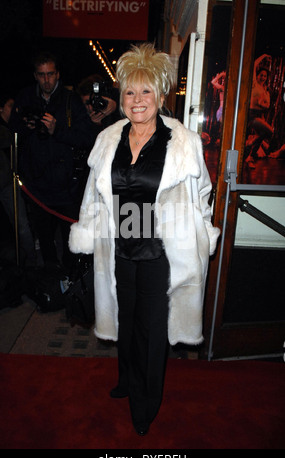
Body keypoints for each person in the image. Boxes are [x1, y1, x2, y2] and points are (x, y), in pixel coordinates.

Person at [69, 43, 220, 436]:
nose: (137, 101)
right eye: (130, 92)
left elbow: (202, 193)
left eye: (146, 92)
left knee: (151, 329)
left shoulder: (184, 142)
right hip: (118, 246)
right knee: (124, 316)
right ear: (121, 97)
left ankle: (145, 401)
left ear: (161, 94)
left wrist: (202, 234)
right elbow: (92, 193)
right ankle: (126, 378)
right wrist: (87, 231)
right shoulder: (108, 140)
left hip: (161, 251)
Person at [9, 52, 95, 272]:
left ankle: (69, 284)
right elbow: (14, 128)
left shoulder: (71, 100)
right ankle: (50, 283)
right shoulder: (26, 97)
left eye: (50, 74)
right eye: (41, 75)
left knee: (69, 243)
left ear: (58, 74)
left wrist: (57, 130)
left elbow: (86, 138)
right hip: (37, 186)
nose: (46, 80)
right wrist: (26, 127)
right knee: (45, 242)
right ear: (35, 75)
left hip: (66, 187)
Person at [0, 93, 36, 267]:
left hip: (8, 183)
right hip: (6, 182)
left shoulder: (13, 129)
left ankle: (30, 263)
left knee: (21, 226)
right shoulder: (6, 129)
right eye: (10, 107)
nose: (14, 111)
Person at [245, 54, 273, 169]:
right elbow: (254, 64)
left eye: (265, 76)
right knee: (269, 132)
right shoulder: (254, 84)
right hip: (251, 115)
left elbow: (267, 106)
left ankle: (250, 157)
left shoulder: (265, 90)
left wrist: (263, 105)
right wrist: (264, 56)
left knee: (264, 134)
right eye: (261, 75)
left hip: (259, 115)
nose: (263, 77)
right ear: (257, 75)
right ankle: (250, 146)